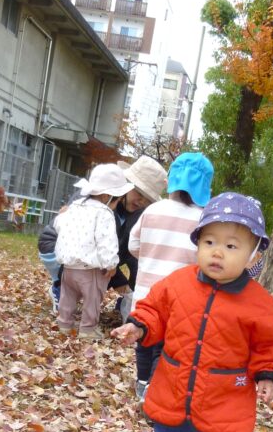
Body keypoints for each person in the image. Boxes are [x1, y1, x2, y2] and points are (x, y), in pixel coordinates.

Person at [112, 192, 273, 432]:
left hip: (225, 395)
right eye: (209, 241)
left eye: (231, 246)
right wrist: (138, 327)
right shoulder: (178, 283)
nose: (217, 252)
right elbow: (154, 309)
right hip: (174, 384)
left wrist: (268, 374)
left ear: (253, 256)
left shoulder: (259, 302)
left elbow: (272, 343)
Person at [127, 151, 213, 400]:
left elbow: (134, 246)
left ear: (171, 182)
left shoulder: (153, 211)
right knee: (166, 348)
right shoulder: (203, 220)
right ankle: (153, 387)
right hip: (181, 302)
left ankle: (143, 381)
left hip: (145, 295)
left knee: (143, 340)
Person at [54, 163, 133, 339]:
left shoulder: (75, 206)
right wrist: (111, 264)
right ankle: (87, 329)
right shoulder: (104, 213)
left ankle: (64, 323)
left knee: (67, 297)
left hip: (68, 267)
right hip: (91, 271)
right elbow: (107, 241)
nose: (117, 203)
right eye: (117, 199)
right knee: (92, 300)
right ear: (106, 196)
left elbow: (59, 224)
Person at [107, 155, 168, 302]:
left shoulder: (141, 219)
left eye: (148, 199)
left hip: (111, 265)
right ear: (127, 185)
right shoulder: (106, 199)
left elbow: (136, 259)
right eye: (139, 193)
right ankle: (60, 287)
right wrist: (119, 280)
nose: (142, 201)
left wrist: (137, 293)